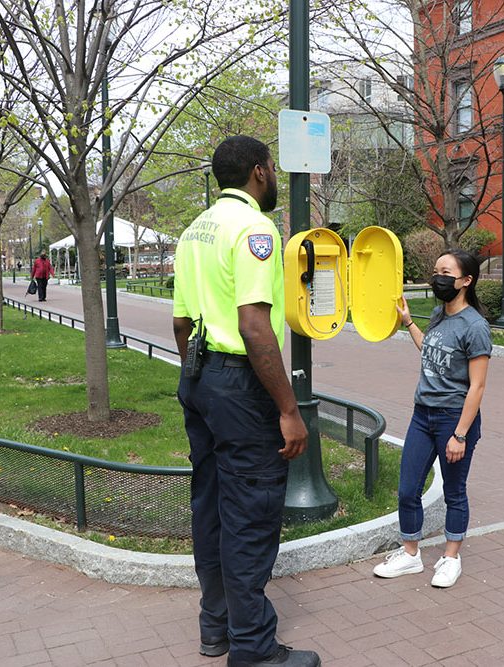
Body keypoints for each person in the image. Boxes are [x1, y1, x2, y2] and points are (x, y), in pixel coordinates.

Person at [173, 135, 321, 667]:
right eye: (274, 168)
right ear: (259, 173)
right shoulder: (255, 228)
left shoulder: (194, 231)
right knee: (250, 514)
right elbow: (255, 327)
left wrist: (201, 377)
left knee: (210, 507)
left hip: (200, 378)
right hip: (239, 385)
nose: (276, 177)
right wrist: (287, 409)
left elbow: (180, 322)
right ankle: (255, 649)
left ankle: (216, 628)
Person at [373, 249, 492, 588]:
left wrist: (460, 434)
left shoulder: (475, 326)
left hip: (453, 419)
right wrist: (409, 322)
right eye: (436, 270)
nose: (438, 277)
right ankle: (410, 554)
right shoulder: (440, 315)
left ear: (466, 281)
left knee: (455, 491)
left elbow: (478, 386)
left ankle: (451, 557)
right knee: (408, 488)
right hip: (422, 416)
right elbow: (430, 351)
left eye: (446, 272)